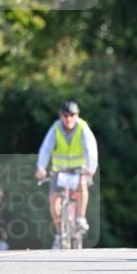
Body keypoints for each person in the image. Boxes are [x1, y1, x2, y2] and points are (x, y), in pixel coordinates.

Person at [35, 100, 98, 249]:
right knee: (54, 201)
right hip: (60, 171)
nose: (68, 118)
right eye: (65, 115)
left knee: (82, 184)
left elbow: (91, 149)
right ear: (60, 116)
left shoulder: (82, 128)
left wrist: (91, 168)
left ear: (77, 116)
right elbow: (45, 149)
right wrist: (41, 168)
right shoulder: (55, 128)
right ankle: (60, 233)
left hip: (79, 169)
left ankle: (80, 218)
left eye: (72, 115)